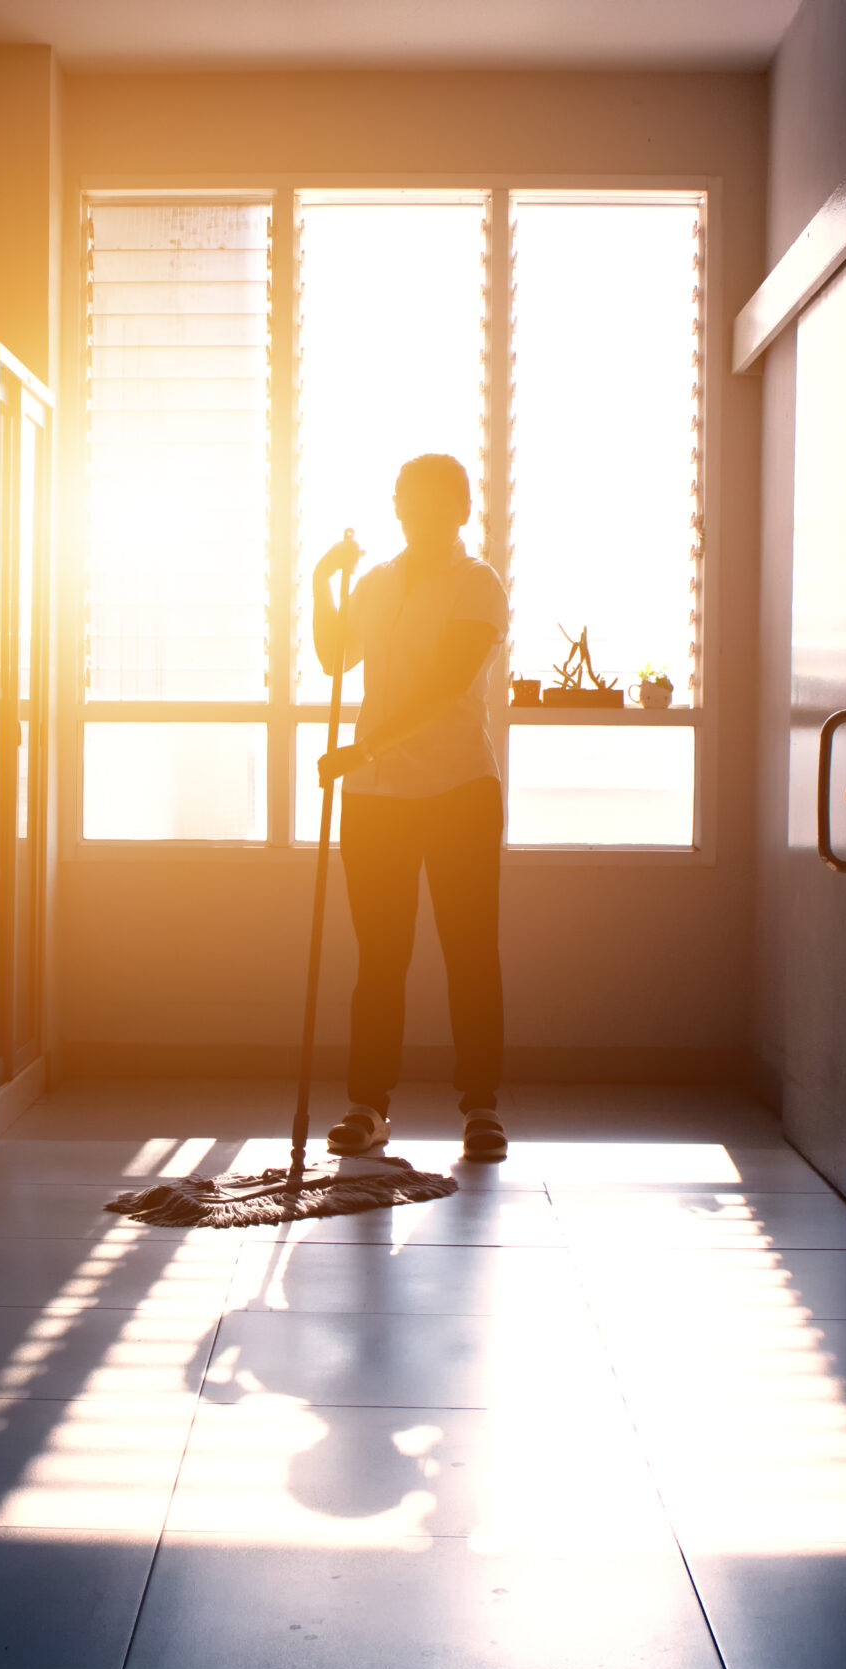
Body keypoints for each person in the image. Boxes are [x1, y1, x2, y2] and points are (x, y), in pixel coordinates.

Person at [309, 455, 510, 1163]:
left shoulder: (477, 584)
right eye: (407, 502)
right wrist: (319, 585)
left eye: (434, 503)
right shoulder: (376, 583)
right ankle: (368, 1107)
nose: (417, 514)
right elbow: (337, 659)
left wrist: (363, 752)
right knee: (380, 958)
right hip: (377, 799)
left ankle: (481, 1106)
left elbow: (444, 688)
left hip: (458, 788)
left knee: (469, 951)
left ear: (460, 508)